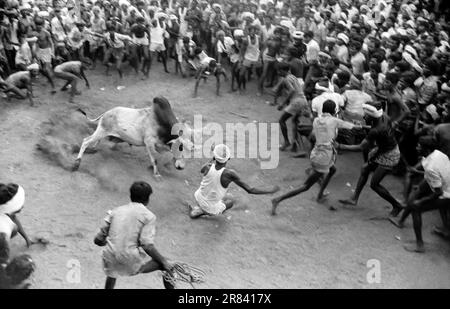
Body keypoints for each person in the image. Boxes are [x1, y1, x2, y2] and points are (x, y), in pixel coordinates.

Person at [271, 100, 360, 215]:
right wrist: (358, 126)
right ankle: (278, 199)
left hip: (317, 153)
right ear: (334, 110)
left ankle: (320, 194)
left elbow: (313, 136)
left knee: (332, 170)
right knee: (305, 186)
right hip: (324, 157)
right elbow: (351, 126)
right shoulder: (334, 120)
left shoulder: (317, 120)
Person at [94, 181, 174, 289]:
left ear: (131, 195)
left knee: (113, 270)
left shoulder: (116, 211)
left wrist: (106, 240)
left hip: (109, 260)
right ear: (147, 199)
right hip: (128, 262)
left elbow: (98, 240)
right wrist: (164, 261)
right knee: (167, 265)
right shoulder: (149, 216)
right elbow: (147, 245)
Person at [338, 104, 404, 216]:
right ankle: (354, 198)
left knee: (375, 184)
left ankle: (397, 205)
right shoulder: (384, 116)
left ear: (372, 116)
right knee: (365, 169)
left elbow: (360, 147)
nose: (364, 117)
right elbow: (379, 130)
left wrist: (340, 146)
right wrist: (364, 127)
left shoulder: (376, 130)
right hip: (385, 149)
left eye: (366, 115)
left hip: (389, 155)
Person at [389, 136, 450, 253]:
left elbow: (438, 192)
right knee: (418, 190)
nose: (416, 148)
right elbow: (435, 173)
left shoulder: (431, 167)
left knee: (416, 207)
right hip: (444, 183)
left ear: (426, 149)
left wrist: (422, 201)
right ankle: (400, 221)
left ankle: (420, 245)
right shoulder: (438, 153)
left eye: (419, 146)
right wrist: (418, 172)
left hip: (446, 192)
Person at [188, 144, 279, 219]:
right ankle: (201, 211)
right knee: (230, 201)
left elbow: (202, 169)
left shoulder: (207, 167)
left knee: (224, 195)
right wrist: (269, 191)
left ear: (215, 157)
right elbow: (250, 190)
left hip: (198, 197)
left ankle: (200, 208)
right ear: (229, 158)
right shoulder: (229, 174)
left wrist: (213, 157)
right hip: (209, 207)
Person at [271, 62, 309, 152]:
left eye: (279, 71)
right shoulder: (293, 77)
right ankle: (295, 145)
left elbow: (291, 90)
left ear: (283, 71)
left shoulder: (287, 79)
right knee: (294, 121)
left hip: (297, 102)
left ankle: (287, 142)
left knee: (282, 120)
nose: (278, 73)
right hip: (303, 100)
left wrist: (283, 104)